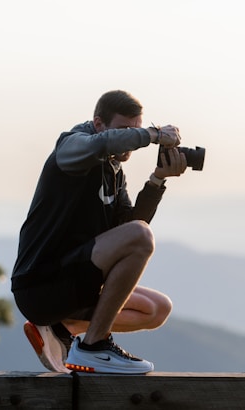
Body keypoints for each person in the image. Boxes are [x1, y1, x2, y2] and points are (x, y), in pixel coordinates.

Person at [11, 90, 187, 374]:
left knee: (157, 308)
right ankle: (94, 347)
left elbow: (129, 228)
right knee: (141, 236)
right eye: (124, 130)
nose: (131, 138)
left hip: (76, 281)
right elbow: (137, 235)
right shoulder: (71, 148)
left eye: (136, 129)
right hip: (42, 284)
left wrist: (157, 180)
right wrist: (152, 135)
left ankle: (63, 329)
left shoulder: (114, 172)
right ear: (99, 124)